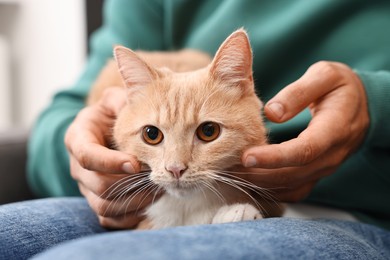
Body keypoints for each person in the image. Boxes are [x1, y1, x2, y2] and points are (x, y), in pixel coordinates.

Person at [1, 0, 390, 259]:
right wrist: (76, 147)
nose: (176, 164)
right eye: (154, 136)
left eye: (206, 132)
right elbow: (67, 111)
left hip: (351, 213)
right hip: (144, 201)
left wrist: (377, 105)